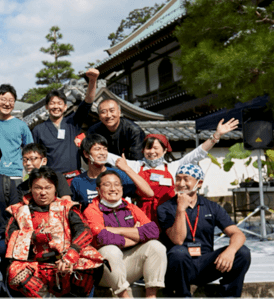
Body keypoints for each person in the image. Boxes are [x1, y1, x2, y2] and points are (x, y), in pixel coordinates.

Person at [106, 118, 239, 224]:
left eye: (156, 148)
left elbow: (197, 153)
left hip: (169, 215)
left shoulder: (173, 167)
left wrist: (216, 136)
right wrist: (89, 146)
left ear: (164, 151)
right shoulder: (134, 166)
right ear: (143, 151)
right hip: (142, 215)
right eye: (148, 148)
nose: (151, 152)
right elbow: (109, 157)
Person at [5, 166, 104, 297]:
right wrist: (33, 236)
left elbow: (84, 231)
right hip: (34, 264)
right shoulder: (19, 210)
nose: (43, 192)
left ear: (55, 188)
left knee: (91, 263)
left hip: (65, 261)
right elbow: (10, 238)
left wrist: (70, 256)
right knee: (14, 271)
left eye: (48, 188)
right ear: (31, 188)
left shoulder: (67, 207)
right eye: (38, 188)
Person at [158, 164, 251, 297]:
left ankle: (228, 295)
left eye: (186, 179)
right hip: (179, 267)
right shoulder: (165, 208)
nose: (181, 183)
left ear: (199, 183)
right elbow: (177, 240)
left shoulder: (212, 207)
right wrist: (180, 209)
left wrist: (230, 251)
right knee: (178, 252)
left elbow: (238, 234)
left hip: (206, 264)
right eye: (178, 179)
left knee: (242, 252)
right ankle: (182, 295)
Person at [83, 171, 166, 298]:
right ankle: (124, 296)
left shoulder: (130, 207)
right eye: (107, 185)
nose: (113, 188)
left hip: (129, 264)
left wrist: (118, 230)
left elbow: (153, 231)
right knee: (111, 250)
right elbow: (102, 237)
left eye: (117, 184)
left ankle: (151, 296)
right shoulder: (92, 209)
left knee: (156, 246)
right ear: (98, 190)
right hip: (104, 271)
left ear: (122, 188)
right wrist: (136, 236)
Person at [31, 68, 99, 182]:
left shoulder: (73, 122)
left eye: (59, 103)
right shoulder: (38, 130)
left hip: (74, 177)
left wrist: (92, 80)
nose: (56, 107)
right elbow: (34, 157)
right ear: (47, 107)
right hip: (51, 179)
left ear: (65, 107)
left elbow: (88, 102)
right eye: (52, 103)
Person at [70, 134, 154, 210]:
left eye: (105, 149)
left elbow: (149, 193)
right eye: (97, 149)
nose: (102, 153)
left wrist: (127, 168)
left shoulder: (118, 175)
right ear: (86, 154)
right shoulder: (78, 181)